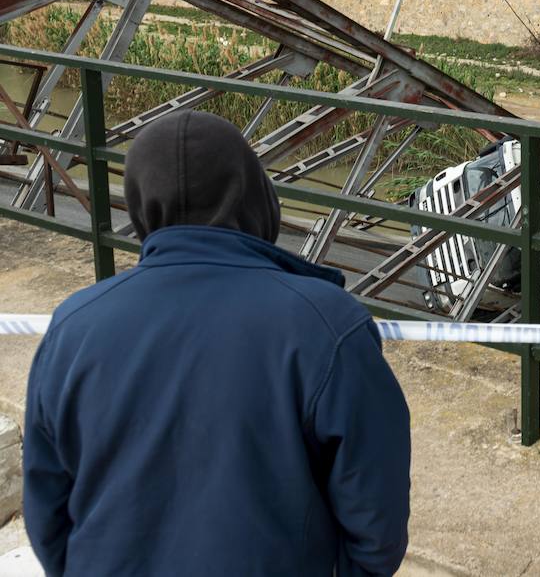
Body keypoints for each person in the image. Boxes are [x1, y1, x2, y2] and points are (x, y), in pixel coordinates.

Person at [24, 112, 411, 577]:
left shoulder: (74, 325)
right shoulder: (327, 325)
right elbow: (376, 517)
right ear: (254, 195)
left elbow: (47, 509)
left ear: (140, 204)